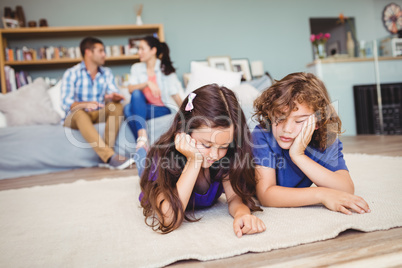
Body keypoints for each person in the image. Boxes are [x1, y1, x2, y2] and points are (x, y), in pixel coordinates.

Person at [137, 84, 266, 237]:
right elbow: (169, 219)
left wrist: (242, 214)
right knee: (142, 163)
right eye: (206, 144)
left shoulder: (224, 157)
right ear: (183, 130)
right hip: (152, 161)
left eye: (223, 146)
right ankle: (141, 146)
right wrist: (194, 161)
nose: (214, 154)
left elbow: (233, 197)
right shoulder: (163, 157)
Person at [252, 72, 371, 215]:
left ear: (318, 122)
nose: (286, 129)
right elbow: (266, 195)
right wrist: (321, 194)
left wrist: (298, 155)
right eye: (279, 118)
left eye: (299, 121)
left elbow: (346, 189)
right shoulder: (263, 135)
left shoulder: (326, 139)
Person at [61, 37, 133, 170]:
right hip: (76, 117)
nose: (104, 54)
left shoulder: (106, 73)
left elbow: (114, 93)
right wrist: (84, 104)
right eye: (100, 51)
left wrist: (115, 97)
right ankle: (110, 157)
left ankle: (104, 157)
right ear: (88, 52)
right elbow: (66, 103)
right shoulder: (72, 73)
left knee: (116, 106)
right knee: (79, 112)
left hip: (97, 112)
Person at [124, 36, 183, 150]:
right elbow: (130, 89)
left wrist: (186, 113)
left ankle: (142, 142)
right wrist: (147, 83)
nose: (139, 52)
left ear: (153, 50)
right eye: (138, 49)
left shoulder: (165, 68)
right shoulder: (136, 68)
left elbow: (175, 94)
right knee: (135, 95)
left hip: (162, 109)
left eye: (142, 49)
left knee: (128, 109)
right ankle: (143, 140)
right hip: (144, 107)